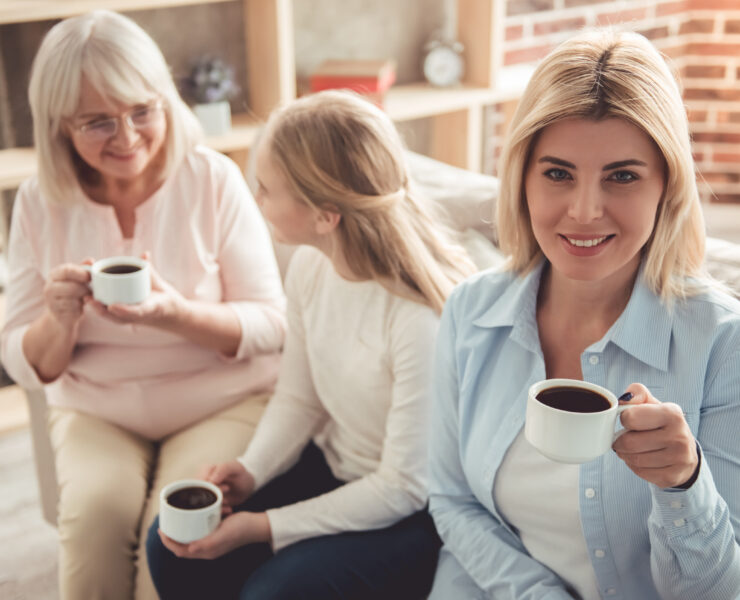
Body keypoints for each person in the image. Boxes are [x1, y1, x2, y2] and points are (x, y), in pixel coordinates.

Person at [427, 28, 740, 600]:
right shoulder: (470, 312)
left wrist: (682, 483)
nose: (585, 211)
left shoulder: (722, 345)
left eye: (622, 176)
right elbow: (452, 500)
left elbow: (717, 592)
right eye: (558, 173)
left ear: (666, 186)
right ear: (523, 179)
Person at [145, 89, 477, 599]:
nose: (259, 203)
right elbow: (299, 397)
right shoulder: (311, 266)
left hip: (420, 513)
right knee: (172, 545)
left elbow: (404, 487)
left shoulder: (419, 320)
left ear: (325, 215)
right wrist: (251, 473)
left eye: (267, 190)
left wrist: (262, 526)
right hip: (340, 469)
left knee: (273, 592)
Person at [0, 10, 286, 600]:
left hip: (220, 400)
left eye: (141, 112)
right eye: (97, 122)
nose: (127, 139)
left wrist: (173, 313)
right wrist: (59, 317)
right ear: (59, 126)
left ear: (164, 101)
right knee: (94, 522)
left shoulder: (212, 180)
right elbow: (27, 364)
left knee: (171, 535)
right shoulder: (38, 202)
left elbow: (272, 325)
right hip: (98, 411)